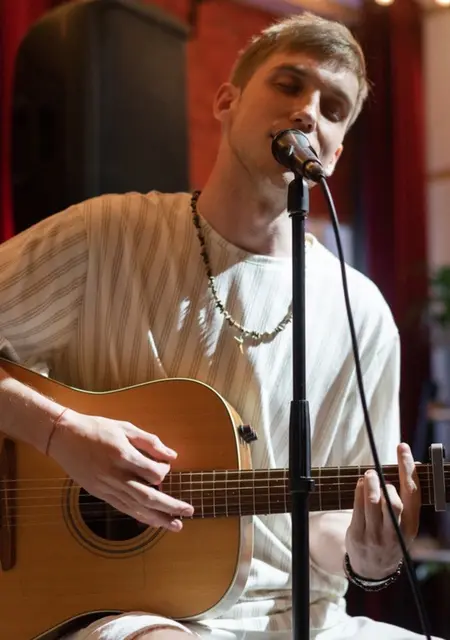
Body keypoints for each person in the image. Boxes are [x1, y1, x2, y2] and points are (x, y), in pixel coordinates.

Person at [0, 11, 439, 640]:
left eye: (333, 108)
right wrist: (59, 433)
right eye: (289, 84)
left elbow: (329, 526)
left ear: (336, 153)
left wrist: (369, 556)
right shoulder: (102, 237)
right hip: (131, 614)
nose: (308, 112)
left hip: (305, 617)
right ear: (226, 101)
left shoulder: (361, 312)